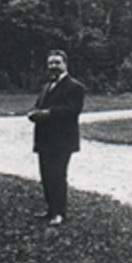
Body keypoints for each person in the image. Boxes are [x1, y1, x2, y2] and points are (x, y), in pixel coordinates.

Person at [28, 50, 85, 226]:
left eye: (57, 63)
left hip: (62, 140)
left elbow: (72, 110)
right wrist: (33, 112)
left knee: (57, 176)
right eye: (51, 63)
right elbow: (38, 104)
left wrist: (47, 114)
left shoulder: (75, 87)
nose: (53, 66)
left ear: (65, 64)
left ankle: (60, 212)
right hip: (44, 138)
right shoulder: (46, 86)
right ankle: (50, 209)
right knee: (45, 175)